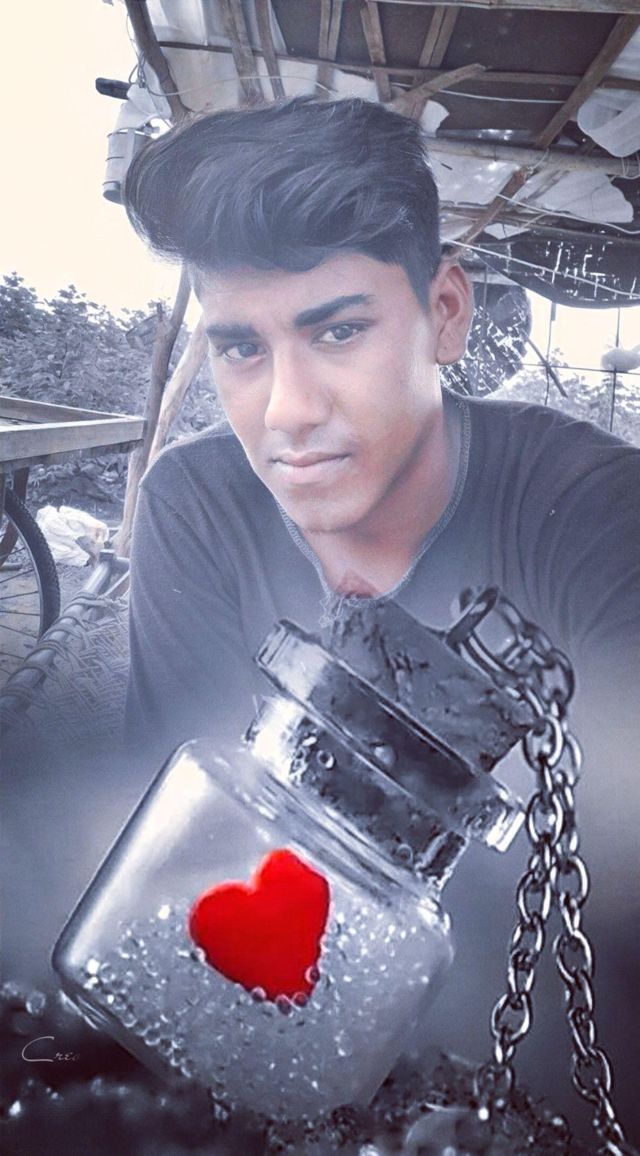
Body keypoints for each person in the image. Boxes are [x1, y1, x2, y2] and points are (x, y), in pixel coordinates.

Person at [123, 97, 639, 1141]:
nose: (287, 409)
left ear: (445, 310)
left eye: (339, 330)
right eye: (240, 348)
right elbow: (174, 868)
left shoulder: (591, 511)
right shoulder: (197, 502)